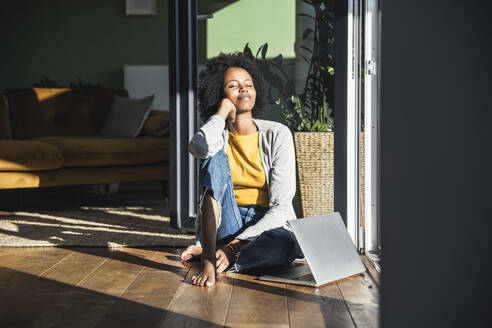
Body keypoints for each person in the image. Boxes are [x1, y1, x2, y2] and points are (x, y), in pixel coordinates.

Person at [181, 52, 303, 287]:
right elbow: (197, 146)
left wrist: (232, 247)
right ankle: (209, 259)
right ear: (219, 94)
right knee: (211, 152)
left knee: (285, 244)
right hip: (227, 219)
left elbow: (282, 207)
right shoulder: (218, 137)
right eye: (233, 86)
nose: (244, 89)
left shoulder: (277, 134)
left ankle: (227, 257)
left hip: (267, 222)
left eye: (249, 84)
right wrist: (221, 113)